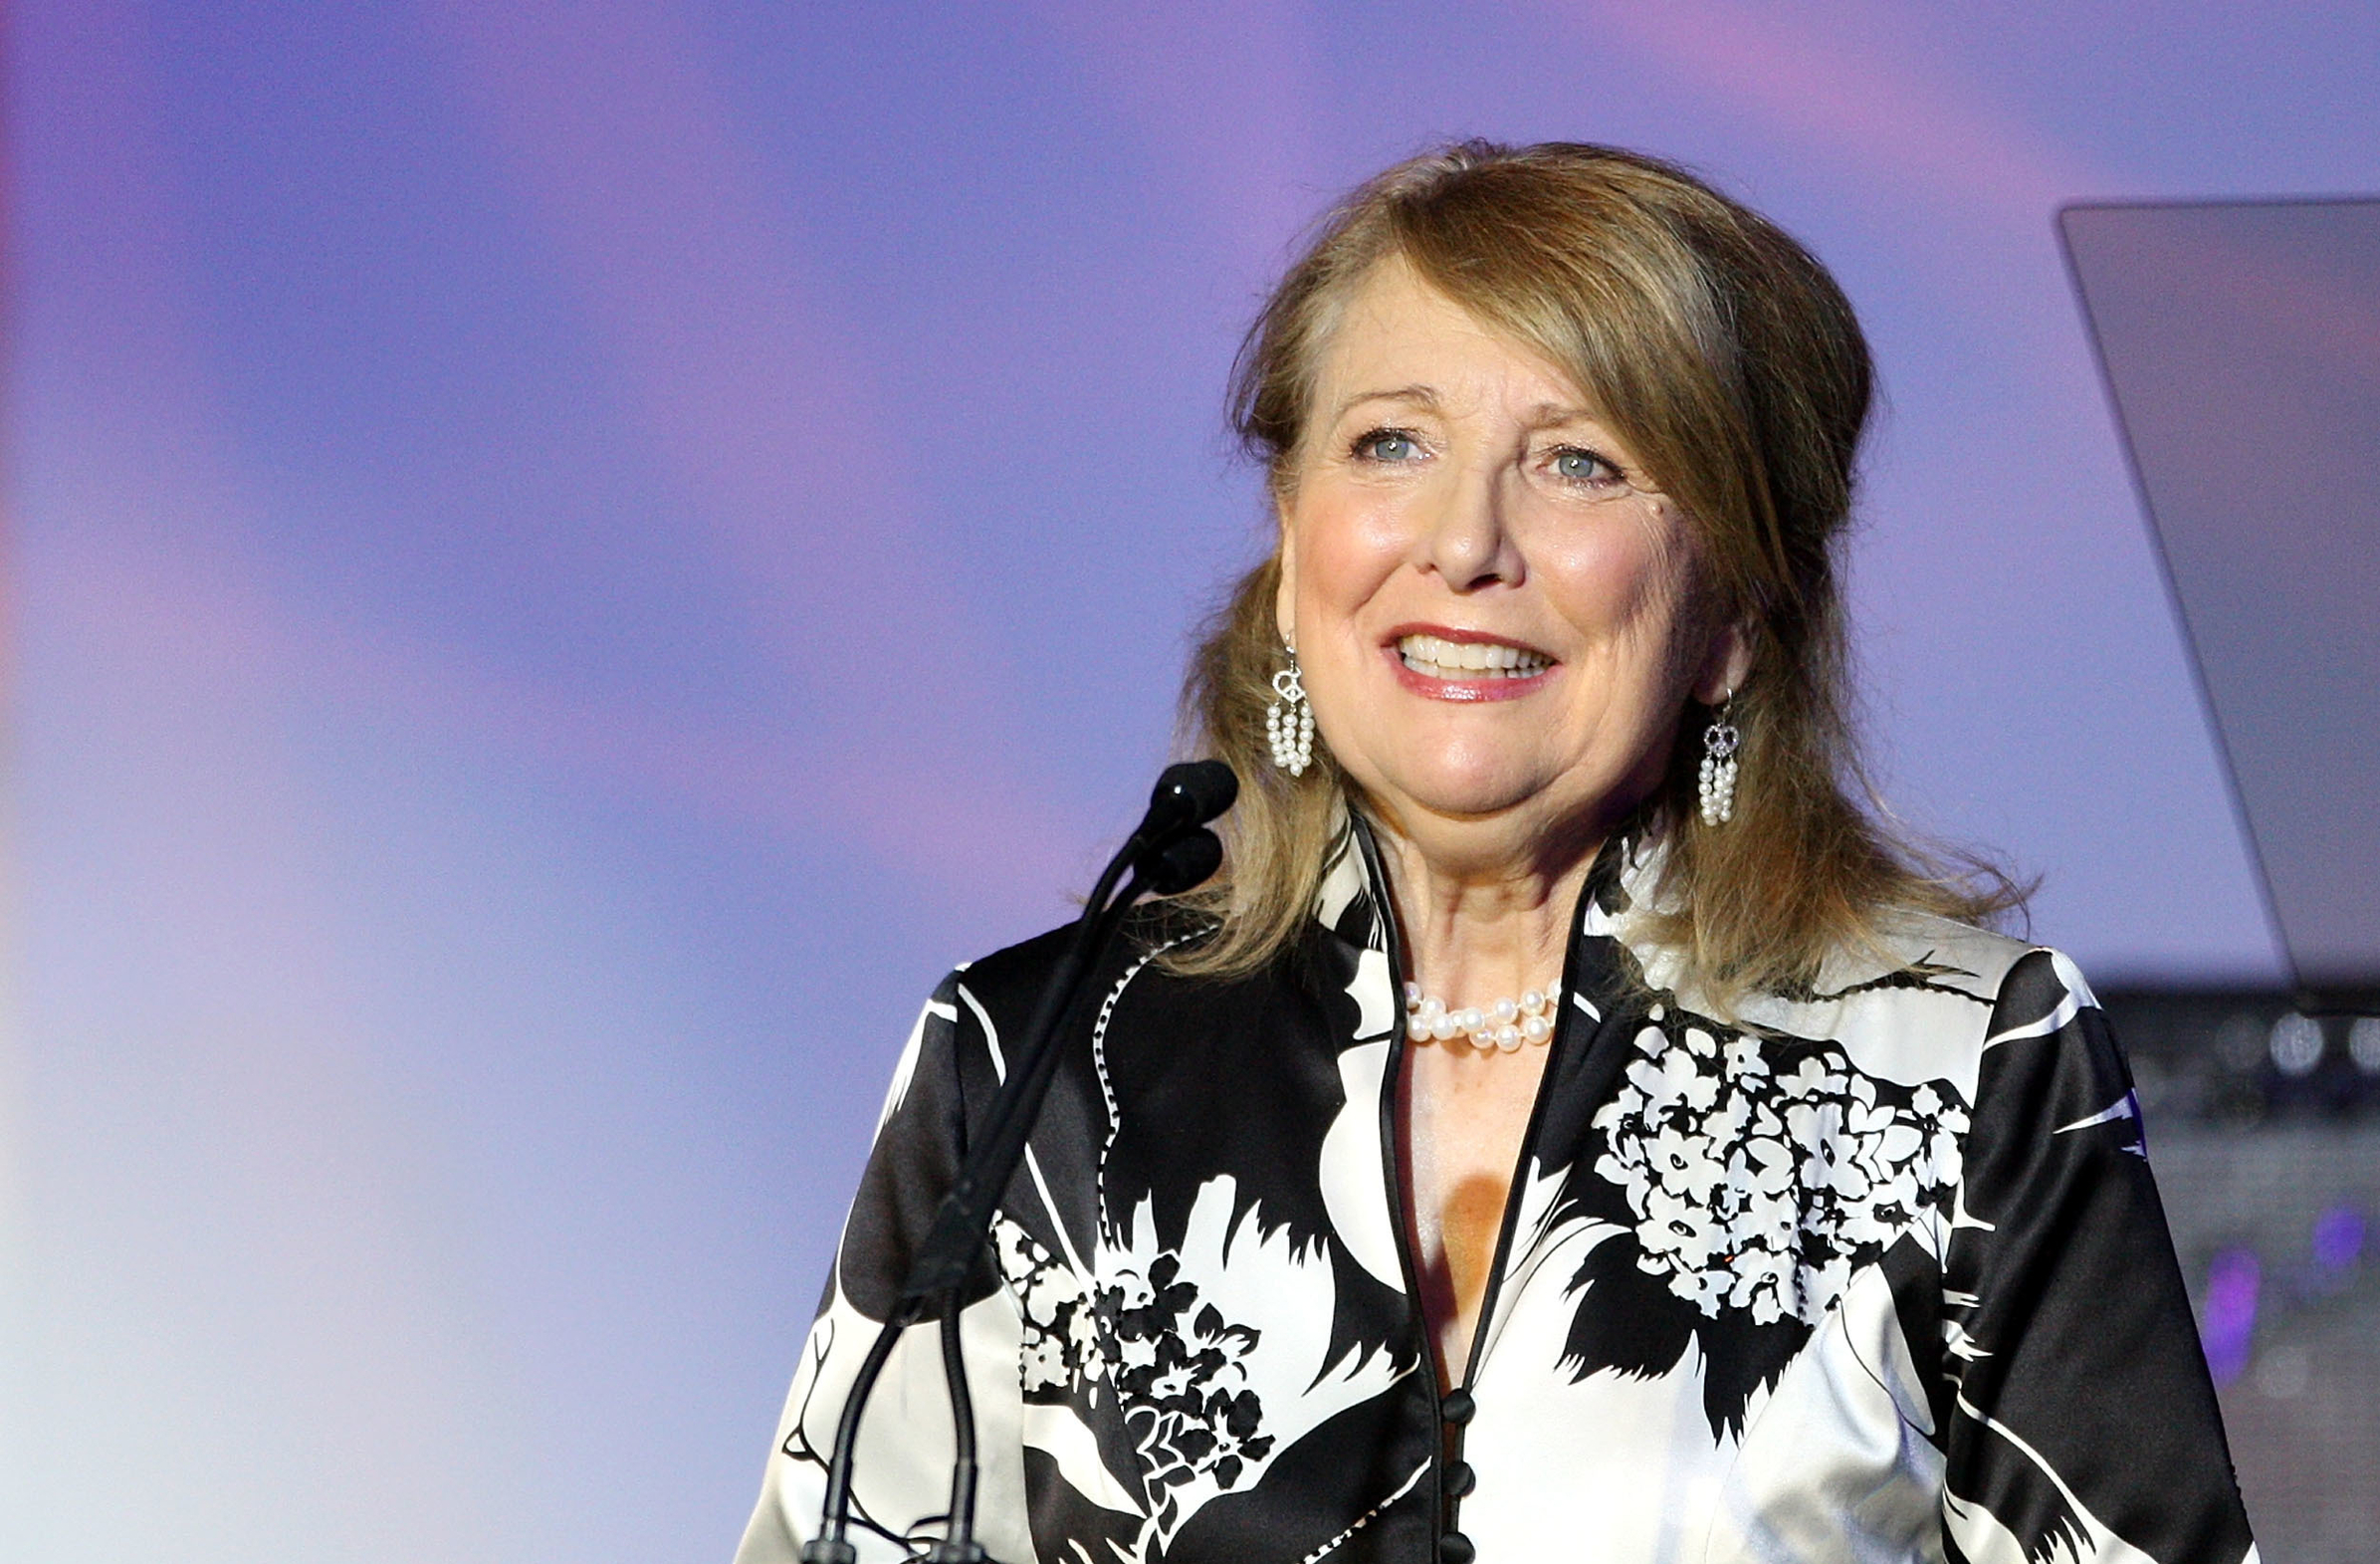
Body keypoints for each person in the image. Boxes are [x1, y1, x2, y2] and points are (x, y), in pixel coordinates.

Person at [734, 141, 2258, 1564]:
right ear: (1292, 533)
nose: (1464, 540)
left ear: (1732, 608)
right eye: (1391, 442)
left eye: (1581, 461)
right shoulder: (1028, 1064)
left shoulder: (1968, 1064)